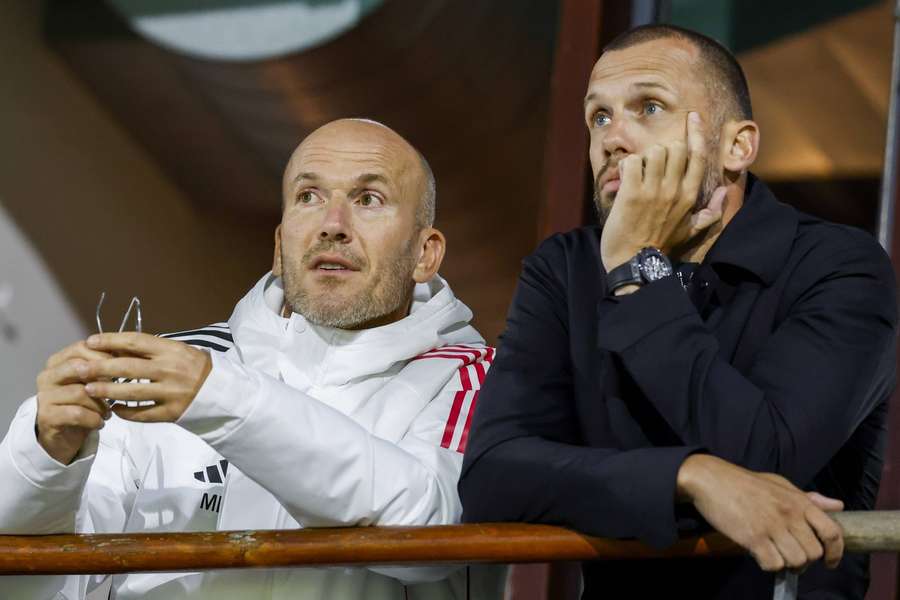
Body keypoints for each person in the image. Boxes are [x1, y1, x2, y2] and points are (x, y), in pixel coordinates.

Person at [459, 24, 897, 599]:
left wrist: (639, 271)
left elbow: (767, 459)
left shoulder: (841, 266)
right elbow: (495, 475)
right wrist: (690, 477)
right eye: (599, 117)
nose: (614, 138)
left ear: (736, 146)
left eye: (649, 107)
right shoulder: (564, 268)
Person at [0, 119, 503, 600]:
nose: (332, 225)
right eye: (309, 197)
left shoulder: (479, 378)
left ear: (425, 253)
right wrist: (45, 457)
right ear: (280, 242)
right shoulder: (172, 366)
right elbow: (38, 585)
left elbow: (430, 536)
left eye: (368, 199)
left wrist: (218, 396)